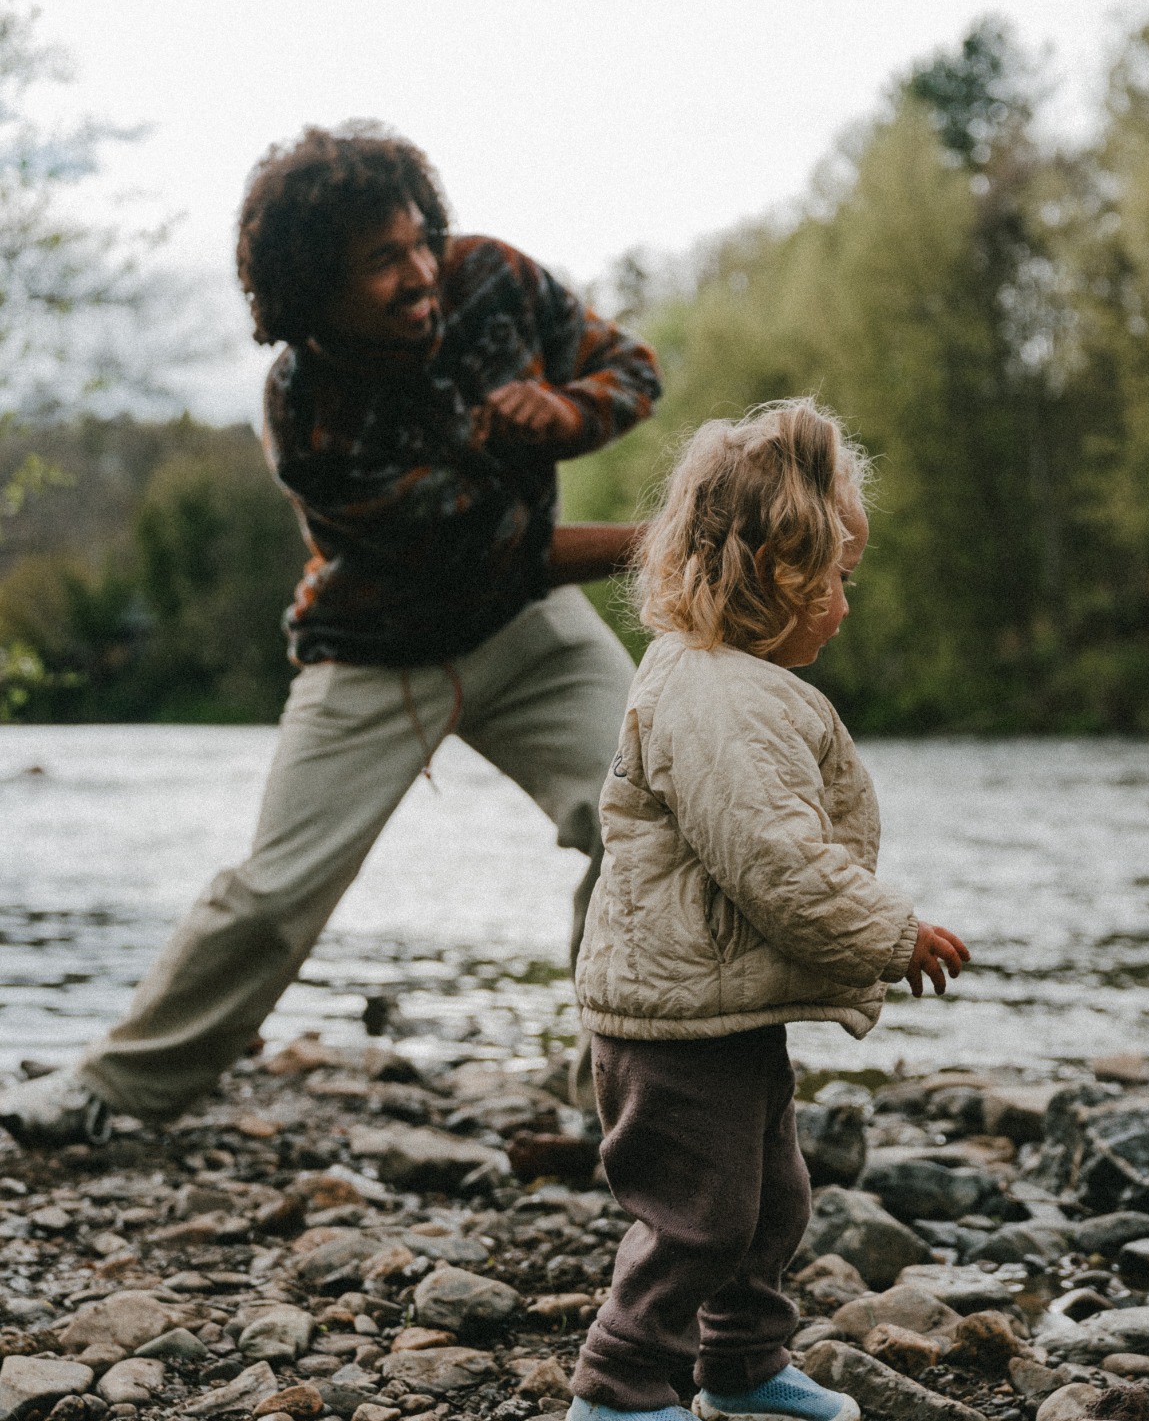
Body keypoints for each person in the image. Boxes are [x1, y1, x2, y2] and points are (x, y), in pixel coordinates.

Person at [1, 124, 661, 1147]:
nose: (418, 275)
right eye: (381, 263)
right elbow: (490, 549)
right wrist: (677, 541)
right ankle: (111, 1090)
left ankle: (628, 1105)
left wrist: (568, 413)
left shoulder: (489, 276)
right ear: (314, 291)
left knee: (653, 820)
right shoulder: (304, 410)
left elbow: (630, 368)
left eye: (416, 242)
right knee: (271, 896)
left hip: (527, 633)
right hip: (376, 658)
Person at [564, 399, 970, 1421]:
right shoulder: (710, 698)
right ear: (766, 584)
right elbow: (773, 862)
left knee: (770, 1195)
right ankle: (617, 1381)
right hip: (668, 1017)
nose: (842, 605)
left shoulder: (742, 687)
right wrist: (892, 933)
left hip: (720, 1005)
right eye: (830, 581)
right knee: (697, 1214)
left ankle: (740, 1366)